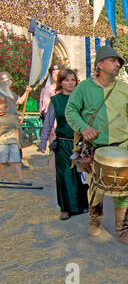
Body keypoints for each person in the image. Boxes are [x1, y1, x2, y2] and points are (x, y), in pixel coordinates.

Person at [65, 45, 128, 247]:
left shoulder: (125, 88)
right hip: (96, 148)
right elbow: (71, 110)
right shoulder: (84, 88)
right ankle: (94, 220)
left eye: (119, 62)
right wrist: (83, 128)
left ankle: (123, 231)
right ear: (100, 64)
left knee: (124, 190)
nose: (117, 64)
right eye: (113, 60)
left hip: (122, 147)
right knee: (96, 189)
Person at [38, 69, 89, 221]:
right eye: (67, 80)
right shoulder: (56, 100)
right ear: (60, 82)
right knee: (65, 176)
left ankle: (82, 205)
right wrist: (43, 140)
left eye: (73, 79)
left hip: (81, 144)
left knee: (81, 176)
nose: (70, 82)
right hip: (63, 144)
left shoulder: (81, 99)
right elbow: (48, 122)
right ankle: (66, 208)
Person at [0, 97, 24, 183]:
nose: (0, 111)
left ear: (7, 108)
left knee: (16, 160)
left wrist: (18, 142)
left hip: (12, 141)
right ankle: (3, 178)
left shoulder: (12, 118)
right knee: (2, 161)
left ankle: (21, 178)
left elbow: (16, 129)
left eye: (2, 109)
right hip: (2, 142)